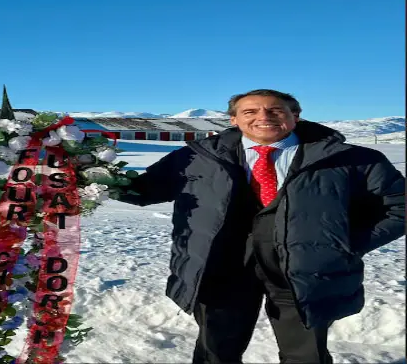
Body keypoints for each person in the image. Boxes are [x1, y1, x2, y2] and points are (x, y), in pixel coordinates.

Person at [117, 89, 405, 364]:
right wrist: (96, 176)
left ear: (295, 116)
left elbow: (399, 206)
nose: (263, 117)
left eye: (275, 110)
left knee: (305, 355)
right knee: (216, 351)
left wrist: (346, 244)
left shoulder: (352, 159)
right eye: (250, 111)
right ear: (234, 119)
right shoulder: (197, 156)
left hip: (305, 270)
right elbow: (142, 190)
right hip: (220, 267)